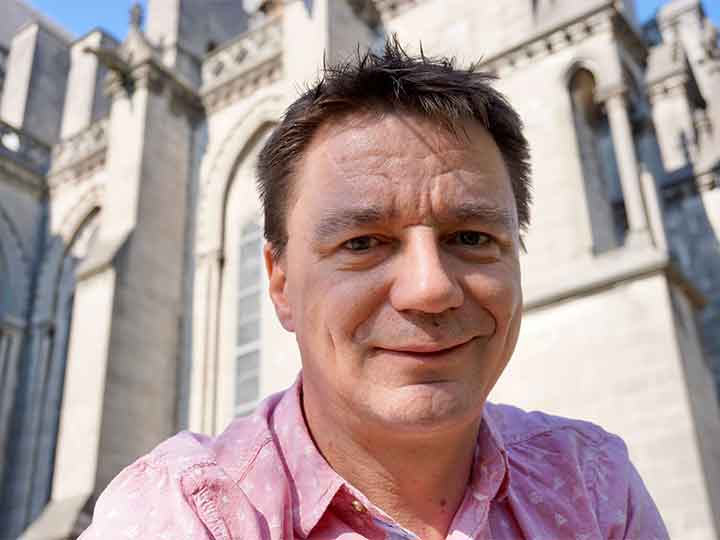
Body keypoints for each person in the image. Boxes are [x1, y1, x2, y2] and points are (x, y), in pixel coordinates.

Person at [78, 39, 668, 540]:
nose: (430, 289)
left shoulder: (594, 485)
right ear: (280, 283)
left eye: (470, 236)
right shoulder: (180, 516)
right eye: (362, 243)